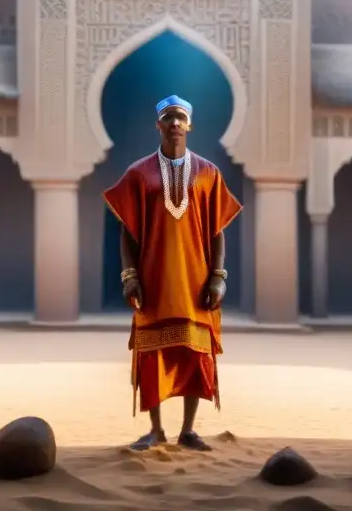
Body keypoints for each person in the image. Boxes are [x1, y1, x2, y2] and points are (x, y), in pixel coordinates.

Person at [103, 95, 242, 452]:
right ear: (158, 125)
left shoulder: (209, 173)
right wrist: (129, 276)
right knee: (151, 356)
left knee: (194, 354)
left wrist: (218, 276)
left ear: (190, 124)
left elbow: (217, 230)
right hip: (153, 281)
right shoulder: (138, 174)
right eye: (168, 118)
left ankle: (188, 431)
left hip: (195, 282)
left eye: (181, 117)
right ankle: (155, 431)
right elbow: (127, 231)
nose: (175, 123)